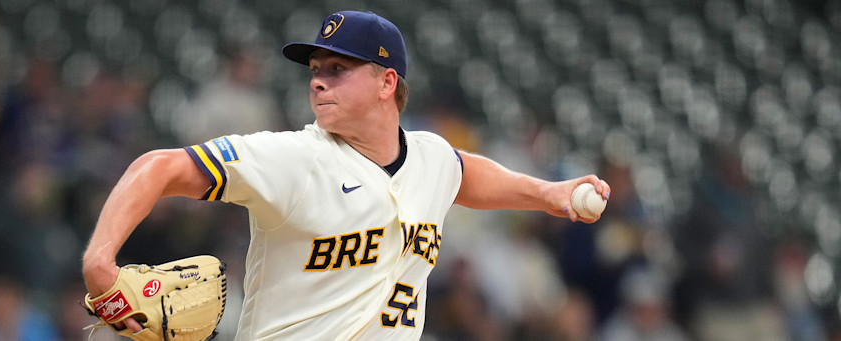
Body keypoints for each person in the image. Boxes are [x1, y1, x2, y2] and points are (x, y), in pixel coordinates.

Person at [82, 10, 610, 340]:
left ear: (386, 83)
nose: (318, 83)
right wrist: (99, 261)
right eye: (315, 71)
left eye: (338, 69)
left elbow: (464, 174)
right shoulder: (292, 159)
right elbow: (158, 167)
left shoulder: (429, 157)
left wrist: (551, 194)